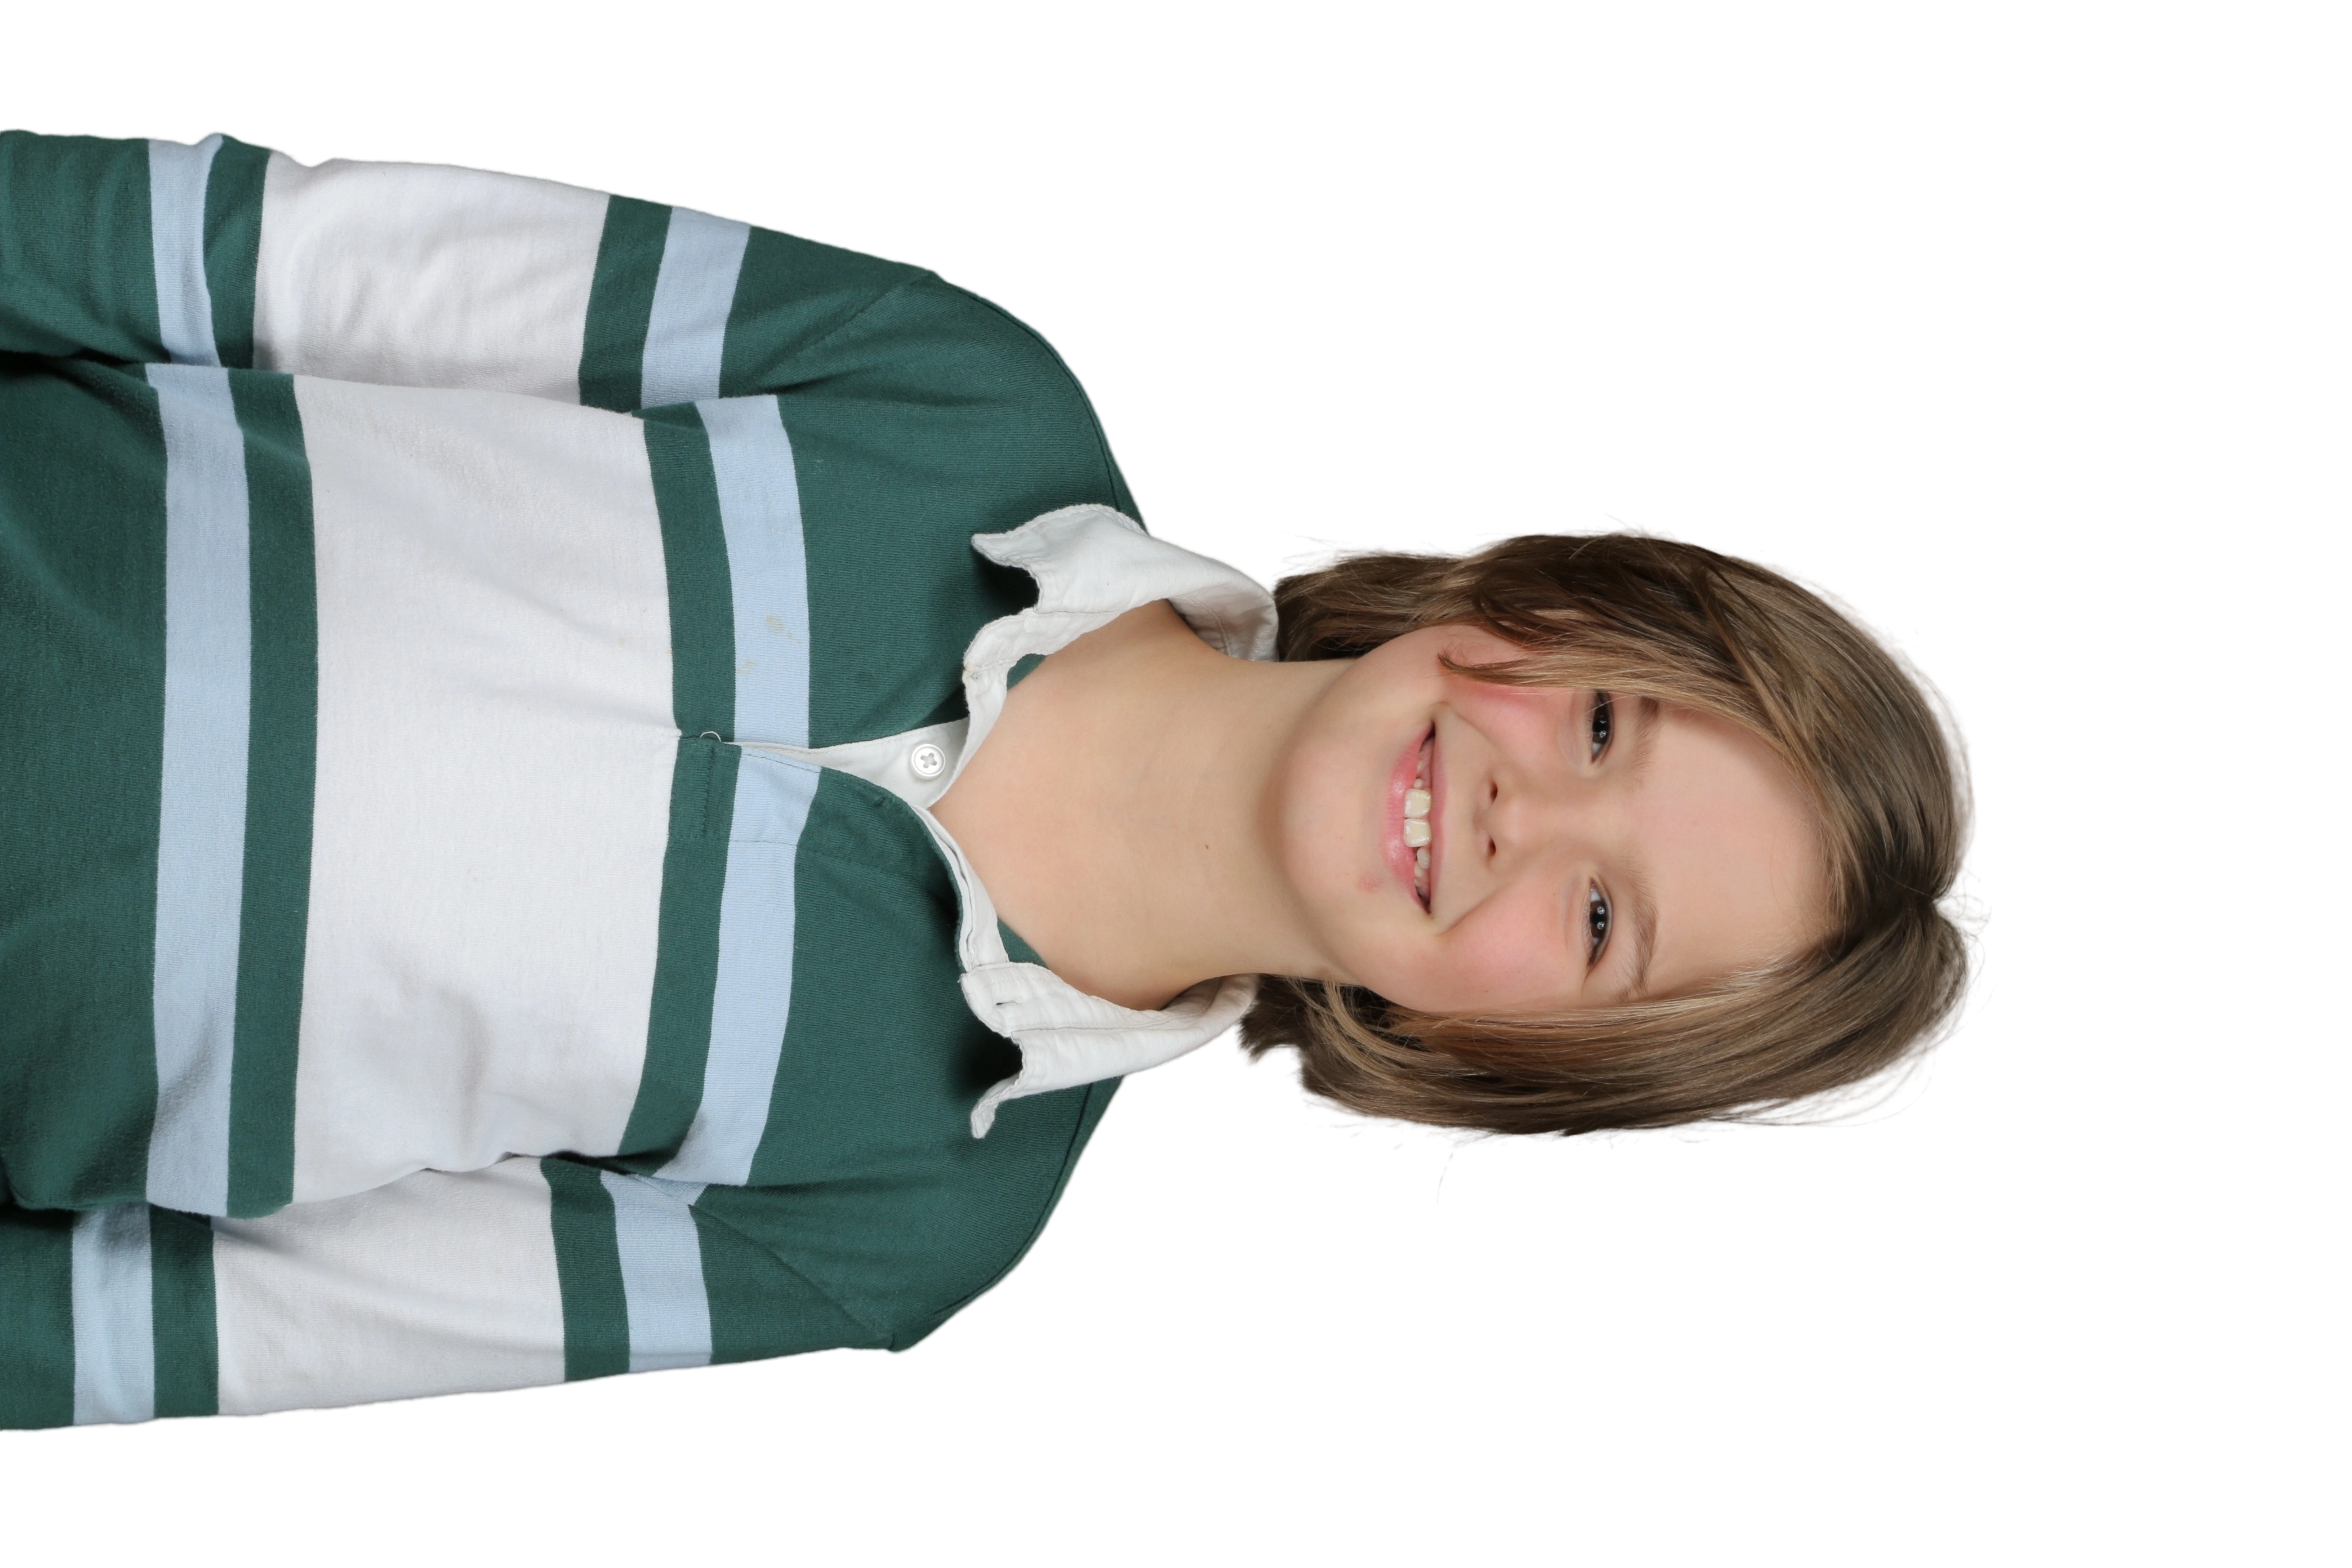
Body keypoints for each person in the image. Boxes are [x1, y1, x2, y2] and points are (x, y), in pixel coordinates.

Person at [0, 130, 1989, 1433]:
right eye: (1607, 730)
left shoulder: (905, 1215)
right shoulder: (961, 397)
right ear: (1542, 605)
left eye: (1602, 919)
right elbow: (269, 262)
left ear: (1521, 1061)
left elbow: (224, 1327)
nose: (1516, 817)